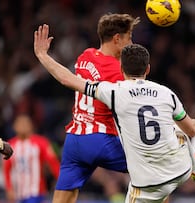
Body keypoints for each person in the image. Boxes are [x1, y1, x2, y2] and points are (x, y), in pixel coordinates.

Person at [34, 24, 195, 203]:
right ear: (148, 69)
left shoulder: (111, 88)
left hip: (78, 139)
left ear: (121, 70)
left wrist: (42, 55)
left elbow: (67, 79)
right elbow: (193, 129)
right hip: (164, 165)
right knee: (174, 134)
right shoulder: (166, 93)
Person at [50, 13, 140, 203]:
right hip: (101, 139)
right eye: (129, 37)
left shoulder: (86, 55)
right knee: (154, 171)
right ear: (117, 38)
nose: (131, 42)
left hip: (74, 140)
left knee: (63, 199)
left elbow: (67, 78)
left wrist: (42, 54)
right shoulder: (118, 70)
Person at [3, 114, 60, 203]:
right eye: (20, 123)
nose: (23, 126)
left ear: (31, 126)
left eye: (25, 124)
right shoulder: (10, 145)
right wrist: (9, 188)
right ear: (14, 126)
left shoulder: (41, 142)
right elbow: (6, 169)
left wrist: (62, 183)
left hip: (35, 192)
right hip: (18, 192)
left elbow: (53, 163)